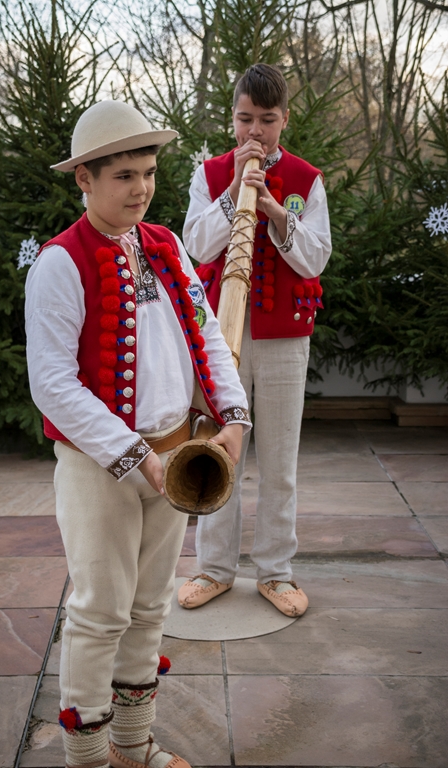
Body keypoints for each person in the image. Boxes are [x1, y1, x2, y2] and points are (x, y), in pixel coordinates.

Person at [25, 100, 251, 768]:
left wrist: (234, 417)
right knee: (100, 611)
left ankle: (131, 744)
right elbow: (52, 384)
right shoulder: (59, 263)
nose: (141, 188)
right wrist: (134, 456)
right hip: (100, 467)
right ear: (84, 179)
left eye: (148, 172)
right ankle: (89, 757)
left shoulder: (165, 245)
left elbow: (207, 335)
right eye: (124, 175)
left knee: (150, 607)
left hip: (177, 454)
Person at [178, 63, 331, 618]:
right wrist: (232, 194)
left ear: (284, 119)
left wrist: (273, 210)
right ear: (232, 119)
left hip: (286, 336)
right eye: (245, 119)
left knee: (280, 461)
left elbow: (315, 258)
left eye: (267, 120)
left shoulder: (307, 179)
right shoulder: (209, 173)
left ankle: (276, 572)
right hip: (223, 336)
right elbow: (197, 246)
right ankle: (214, 569)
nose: (255, 132)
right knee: (221, 450)